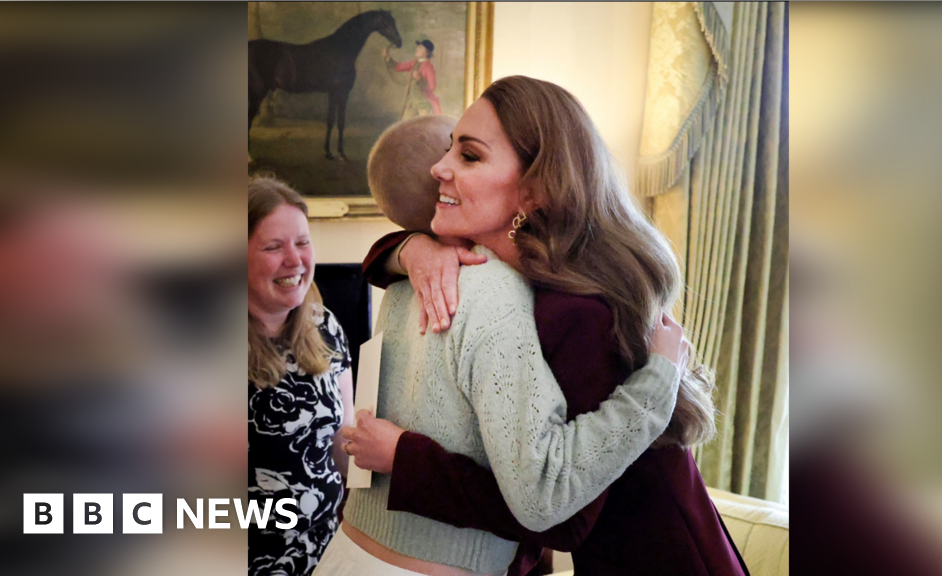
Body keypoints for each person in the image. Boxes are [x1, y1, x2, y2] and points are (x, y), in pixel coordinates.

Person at [347, 76, 749, 575]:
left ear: (534, 191)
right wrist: (410, 249)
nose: (438, 167)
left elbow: (560, 518)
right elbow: (374, 262)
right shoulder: (509, 280)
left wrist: (404, 459)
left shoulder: (575, 311)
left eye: (469, 156)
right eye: (449, 149)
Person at [249, 176, 356, 576]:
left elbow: (342, 441)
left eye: (302, 242)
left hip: (325, 555)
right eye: (273, 247)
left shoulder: (324, 325)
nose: (295, 261)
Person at [386, 39, 442, 118]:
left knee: (425, 125)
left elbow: (432, 87)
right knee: (405, 126)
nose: (417, 49)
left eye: (421, 48)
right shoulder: (415, 63)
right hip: (412, 102)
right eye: (418, 47)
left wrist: (419, 79)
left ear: (427, 52)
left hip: (423, 103)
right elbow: (399, 67)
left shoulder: (429, 67)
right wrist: (388, 58)